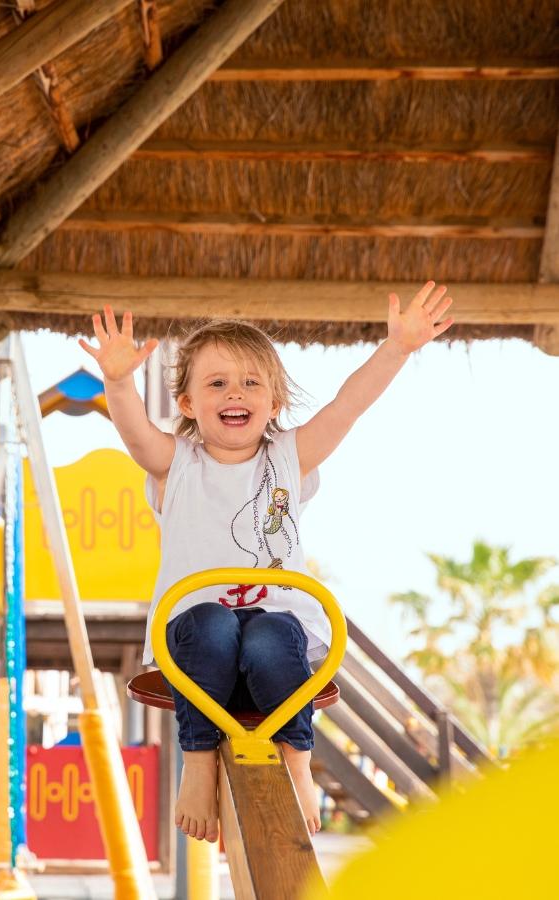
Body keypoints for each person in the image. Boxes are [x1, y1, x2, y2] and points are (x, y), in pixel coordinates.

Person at [79, 282, 454, 841]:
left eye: (252, 382)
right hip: (197, 641)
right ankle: (199, 757)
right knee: (211, 624)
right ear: (187, 404)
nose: (237, 392)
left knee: (274, 633)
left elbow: (346, 405)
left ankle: (297, 759)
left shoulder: (289, 455)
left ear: (274, 403)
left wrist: (395, 348)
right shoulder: (176, 464)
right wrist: (117, 380)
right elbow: (134, 431)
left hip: (272, 634)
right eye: (218, 383)